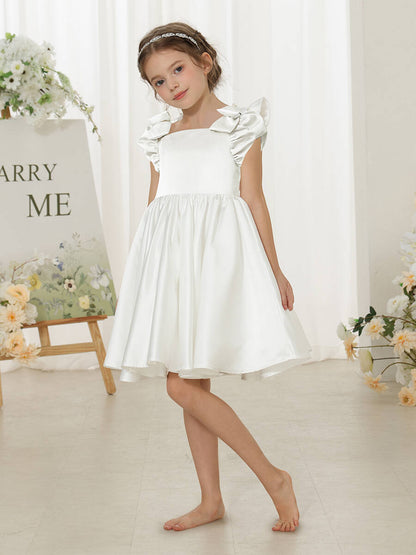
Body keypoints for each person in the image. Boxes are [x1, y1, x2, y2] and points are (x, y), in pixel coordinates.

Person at [104, 21, 312, 533]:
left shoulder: (239, 126)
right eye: (158, 80)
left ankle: (273, 478)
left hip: (217, 261)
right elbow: (156, 205)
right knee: (186, 381)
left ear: (204, 62)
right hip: (171, 264)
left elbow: (253, 200)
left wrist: (274, 269)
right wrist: (147, 277)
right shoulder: (161, 134)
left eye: (177, 69)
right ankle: (211, 500)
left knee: (181, 386)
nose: (171, 84)